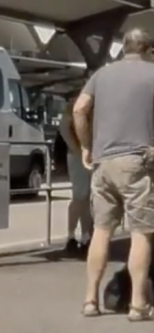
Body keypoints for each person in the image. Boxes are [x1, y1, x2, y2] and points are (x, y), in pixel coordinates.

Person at [73, 28, 154, 322]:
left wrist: (86, 147)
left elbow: (80, 109)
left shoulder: (101, 74)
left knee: (101, 230)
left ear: (124, 47)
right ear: (146, 49)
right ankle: (138, 304)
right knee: (141, 232)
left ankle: (91, 300)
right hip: (135, 163)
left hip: (103, 164)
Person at [60, 92, 93, 258]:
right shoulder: (76, 102)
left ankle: (85, 235)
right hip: (78, 155)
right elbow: (65, 126)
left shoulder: (91, 102)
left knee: (86, 197)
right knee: (80, 195)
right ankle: (72, 235)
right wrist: (75, 148)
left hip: (86, 154)